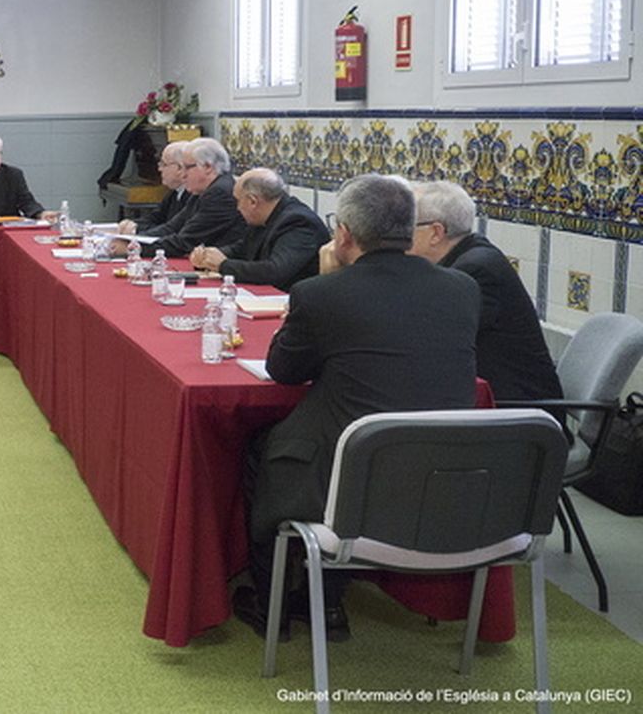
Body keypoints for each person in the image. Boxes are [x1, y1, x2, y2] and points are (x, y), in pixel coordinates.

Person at [234, 174, 480, 642]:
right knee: (357, 455)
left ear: (343, 233)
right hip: (445, 474)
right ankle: (327, 602)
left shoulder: (323, 293)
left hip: (350, 474)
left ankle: (274, 604)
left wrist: (328, 281)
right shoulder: (462, 288)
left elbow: (284, 370)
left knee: (264, 447)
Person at [410, 180, 561, 402]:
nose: (401, 234)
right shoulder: (468, 256)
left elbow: (431, 337)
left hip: (514, 411)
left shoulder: (475, 271)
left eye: (408, 225)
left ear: (435, 233)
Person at [189, 168, 328, 290]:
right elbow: (241, 249)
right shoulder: (263, 217)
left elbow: (275, 271)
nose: (237, 208)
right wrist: (209, 255)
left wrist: (223, 265)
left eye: (238, 201)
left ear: (252, 201)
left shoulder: (298, 221)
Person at [116, 137, 245, 257]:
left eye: (187, 168)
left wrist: (134, 247)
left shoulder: (220, 193)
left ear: (207, 167)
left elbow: (186, 241)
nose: (182, 175)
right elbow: (173, 227)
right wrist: (132, 239)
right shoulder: (202, 190)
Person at [130, 140, 194, 232]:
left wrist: (135, 230)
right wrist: (132, 224)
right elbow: (155, 217)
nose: (159, 169)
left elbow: (173, 230)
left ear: (180, 168)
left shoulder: (194, 195)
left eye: (164, 164)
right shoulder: (174, 193)